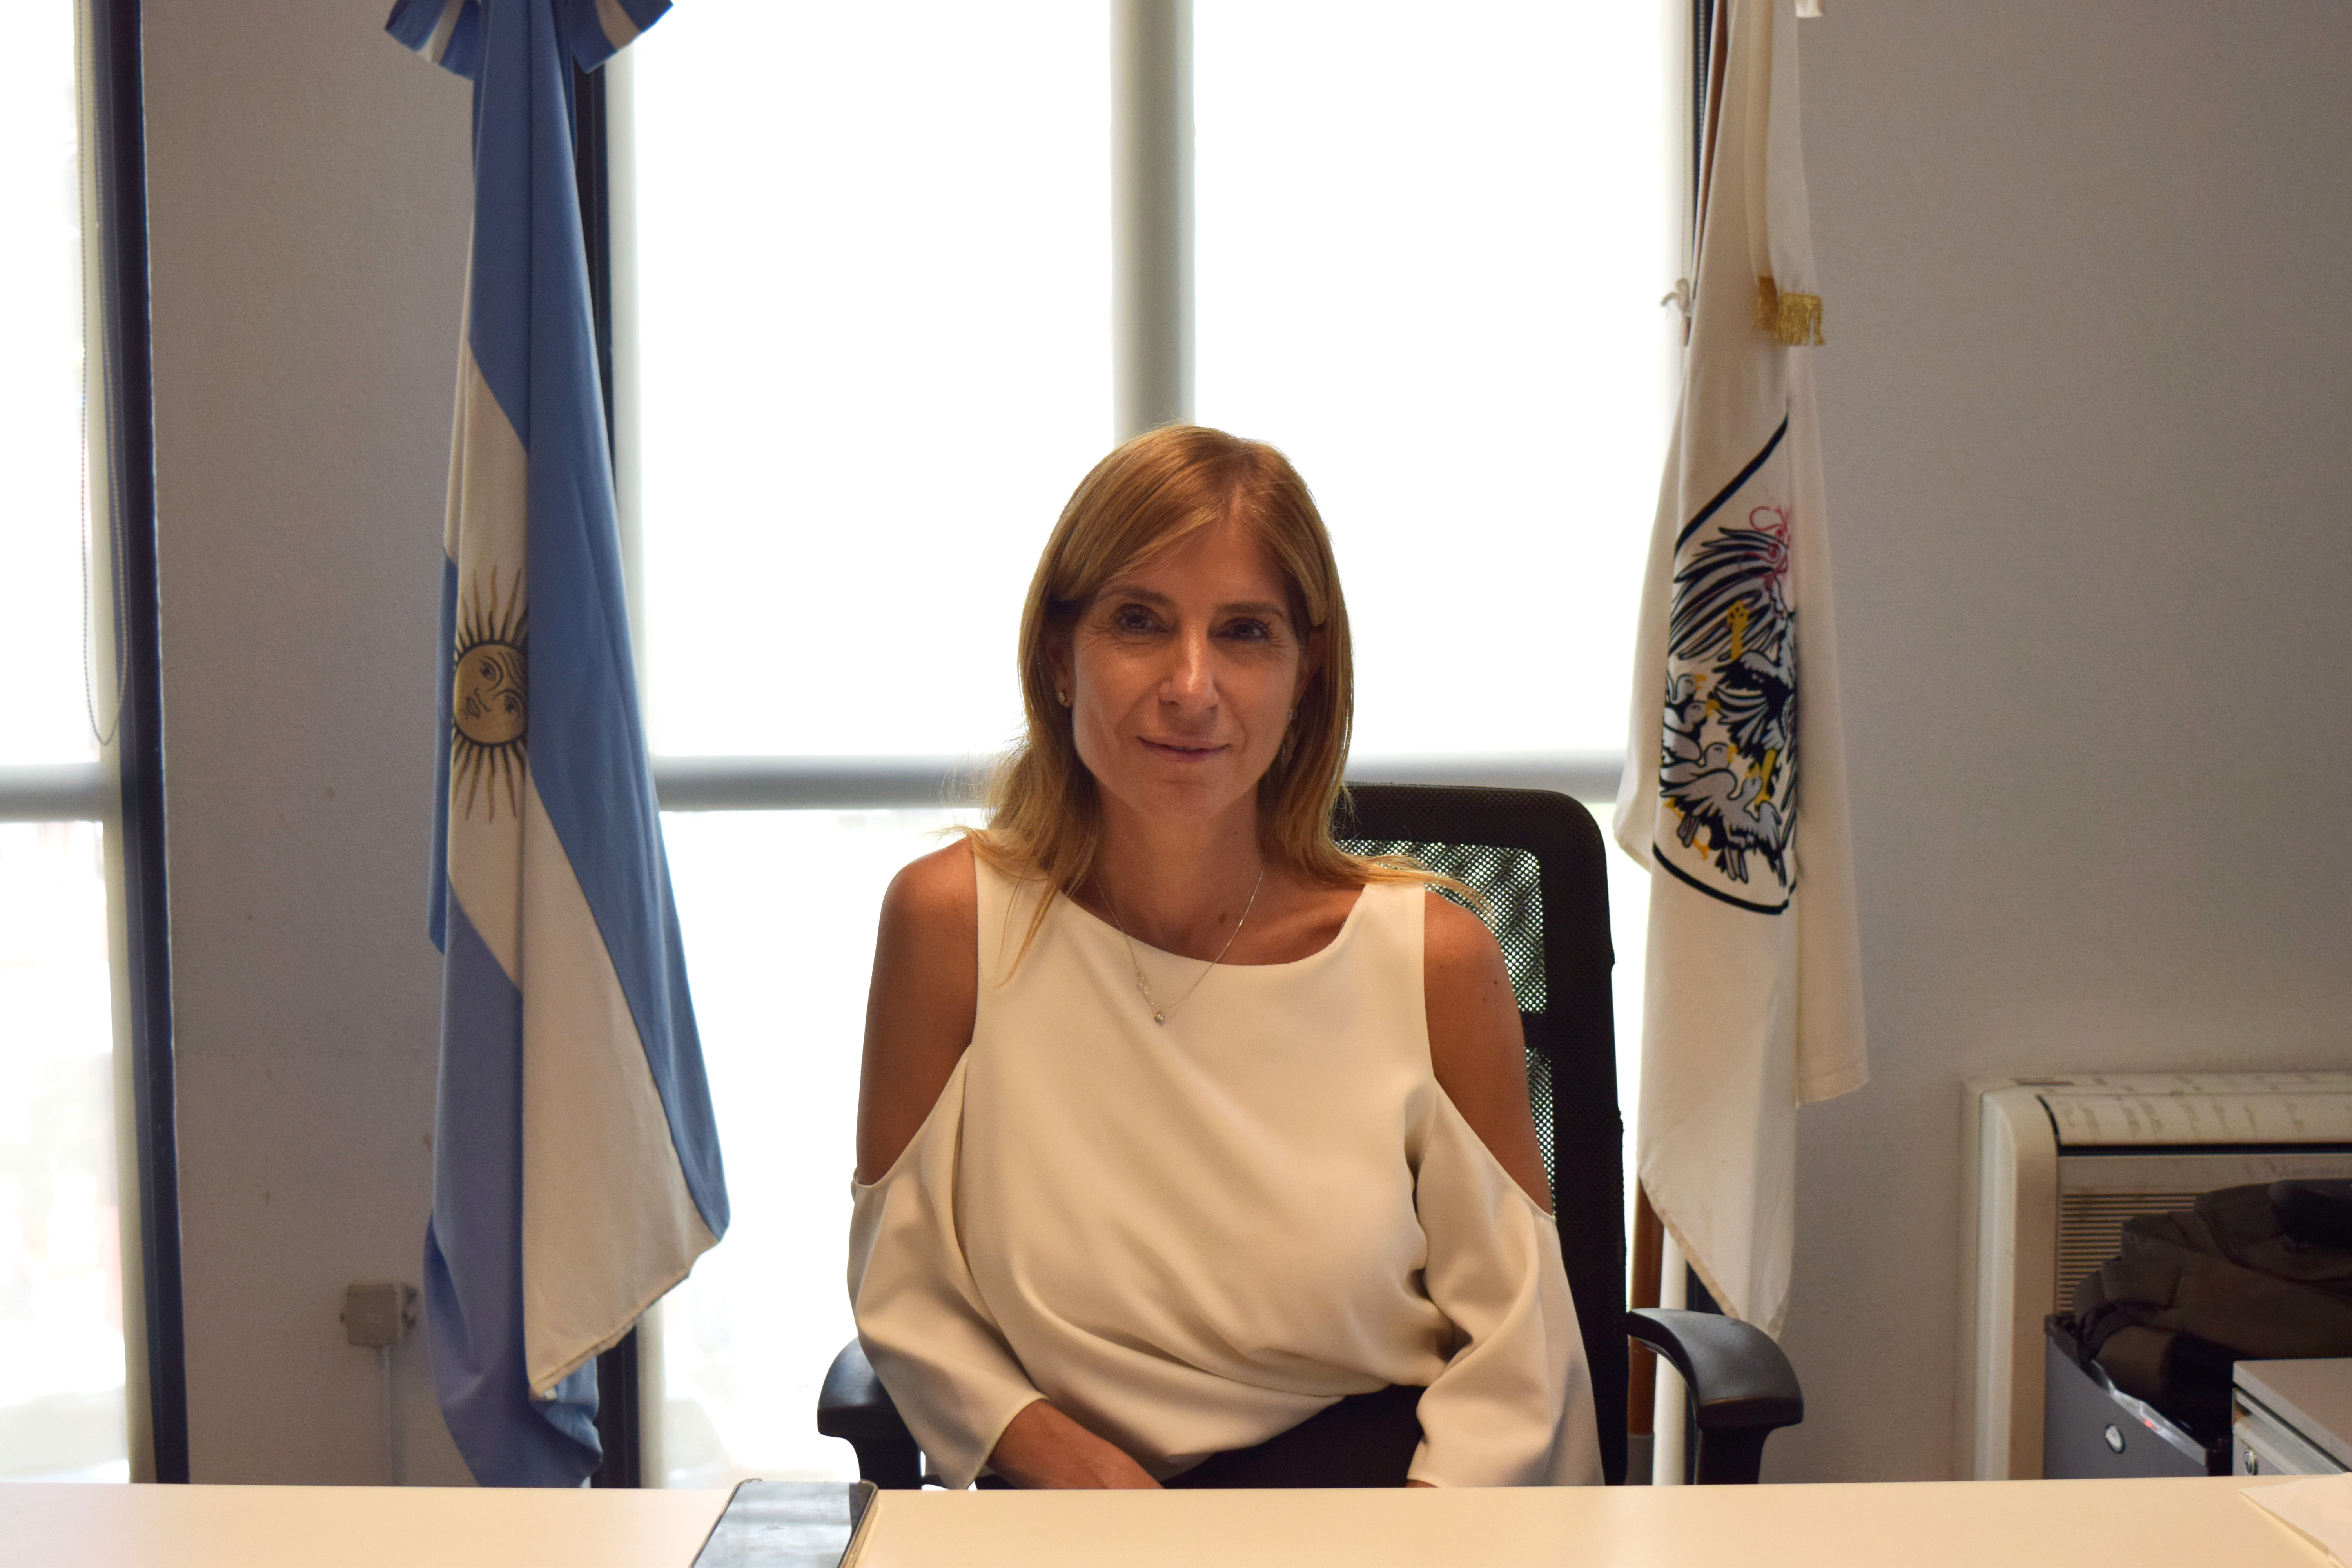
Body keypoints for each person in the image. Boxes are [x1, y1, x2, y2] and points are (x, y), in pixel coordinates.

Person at [848, 426, 1601, 1490]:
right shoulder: (950, 925)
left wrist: (1411, 1543)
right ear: (1059, 658)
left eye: (1246, 632)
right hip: (1075, 1514)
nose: (1192, 685)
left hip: (1382, 1509)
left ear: (1305, 676)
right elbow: (907, 1291)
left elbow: (1520, 1355)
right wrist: (1071, 1471)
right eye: (1139, 622)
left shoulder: (1432, 960)